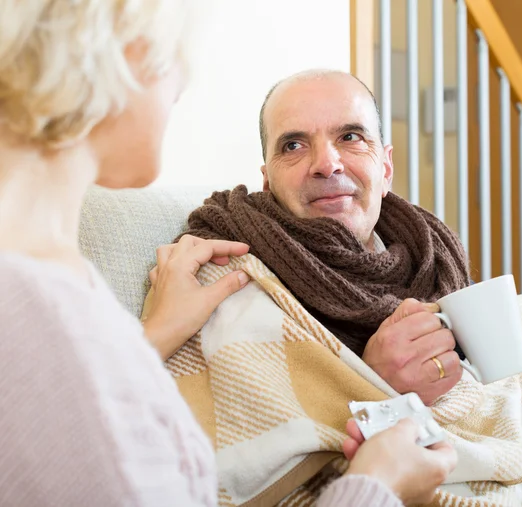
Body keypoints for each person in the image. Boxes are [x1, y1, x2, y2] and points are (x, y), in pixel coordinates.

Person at [0, 3, 456, 507]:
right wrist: (377, 484)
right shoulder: (34, 303)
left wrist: (152, 338)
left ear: (386, 164)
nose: (181, 84)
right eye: (174, 56)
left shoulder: (64, 283)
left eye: (350, 136)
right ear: (123, 56)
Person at [155, 70, 470, 406]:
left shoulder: (435, 259)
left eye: (350, 137)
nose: (326, 164)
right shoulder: (224, 273)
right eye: (293, 145)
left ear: (386, 169)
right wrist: (370, 385)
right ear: (268, 182)